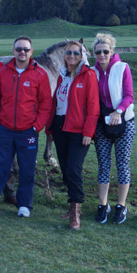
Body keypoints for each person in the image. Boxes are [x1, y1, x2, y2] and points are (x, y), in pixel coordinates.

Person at [0, 36, 52, 218]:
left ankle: (24, 205)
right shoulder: (4, 72)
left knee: (27, 169)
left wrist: (37, 126)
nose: (22, 52)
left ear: (31, 52)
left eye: (25, 49)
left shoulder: (40, 74)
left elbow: (45, 104)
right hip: (5, 130)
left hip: (28, 131)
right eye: (19, 49)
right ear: (13, 51)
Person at [49, 41, 99, 230]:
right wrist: (50, 128)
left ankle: (76, 210)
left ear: (81, 56)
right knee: (65, 169)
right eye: (68, 52)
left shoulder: (88, 75)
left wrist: (88, 132)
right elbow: (57, 103)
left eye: (76, 53)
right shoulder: (63, 75)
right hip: (61, 126)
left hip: (78, 130)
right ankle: (71, 207)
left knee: (74, 169)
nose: (71, 56)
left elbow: (93, 107)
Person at [92, 32, 135, 224]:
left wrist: (118, 111)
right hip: (102, 125)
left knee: (122, 164)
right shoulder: (92, 72)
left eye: (105, 51)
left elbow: (128, 95)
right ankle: (103, 204)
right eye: (98, 52)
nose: (102, 55)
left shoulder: (122, 68)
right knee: (103, 164)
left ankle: (121, 205)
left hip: (124, 122)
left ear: (112, 52)